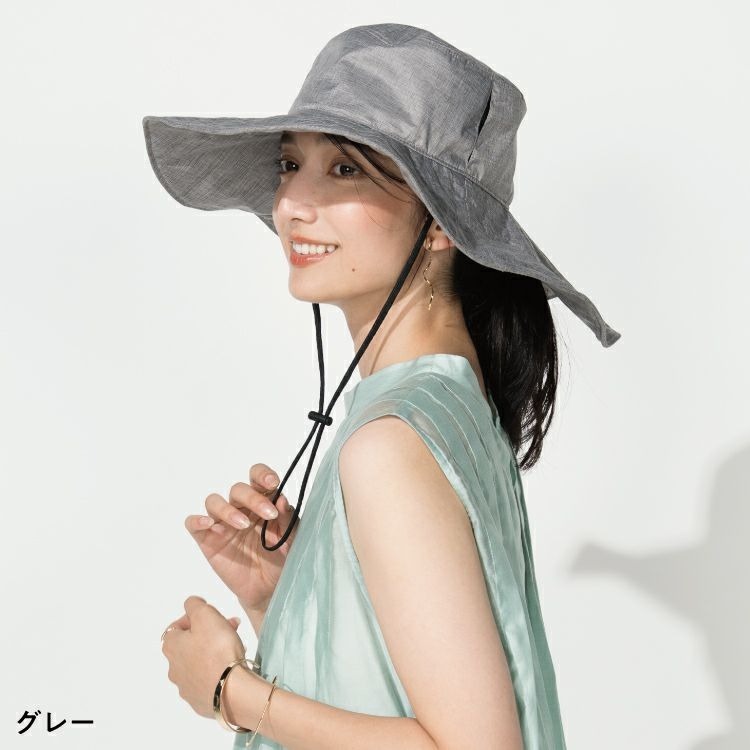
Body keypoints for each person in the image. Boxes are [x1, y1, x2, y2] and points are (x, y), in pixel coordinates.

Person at [153, 23, 619, 750]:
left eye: (345, 170)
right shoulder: (448, 403)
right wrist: (288, 598)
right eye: (290, 164)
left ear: (441, 223)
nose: (292, 203)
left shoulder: (389, 443)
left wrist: (229, 690)